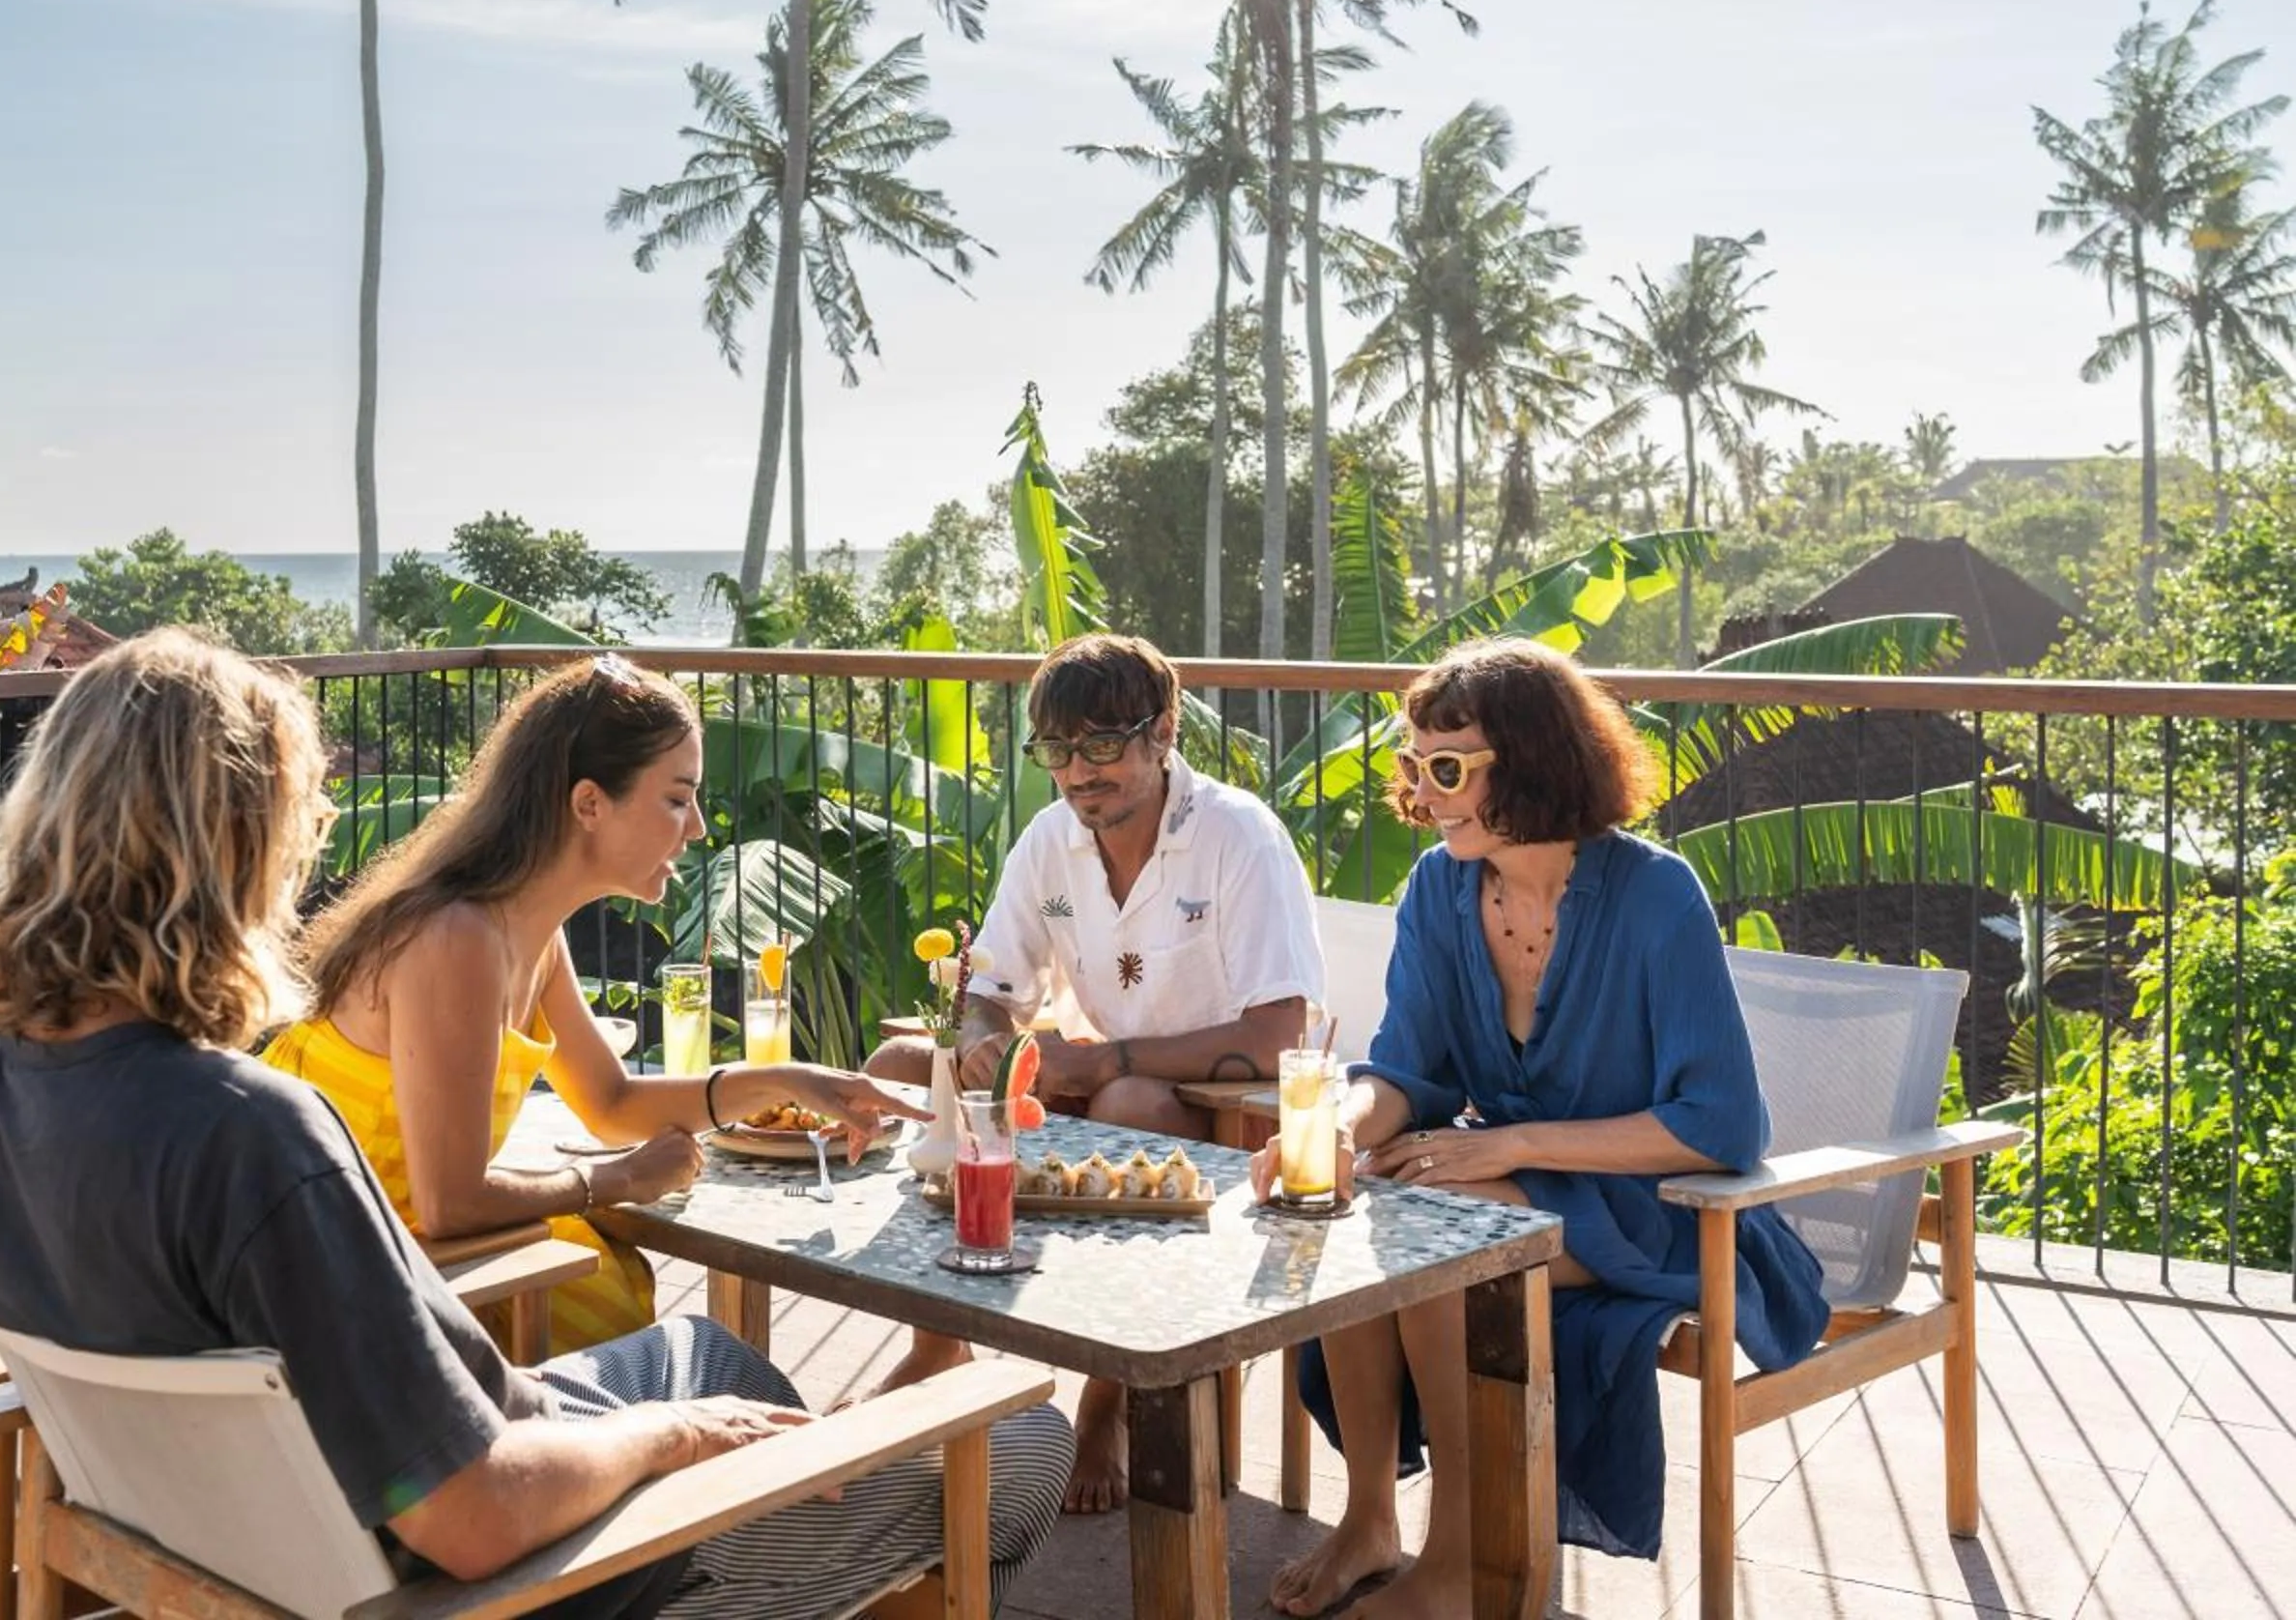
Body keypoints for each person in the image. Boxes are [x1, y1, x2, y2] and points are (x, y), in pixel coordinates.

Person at [0, 631, 1073, 1620]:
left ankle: (820, 1496)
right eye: (299, 807)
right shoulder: (252, 1136)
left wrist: (678, 1409)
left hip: (252, 1533)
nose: (315, 830)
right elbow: (470, 1516)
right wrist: (671, 1440)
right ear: (234, 844)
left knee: (717, 1361)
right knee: (1020, 1443)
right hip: (518, 1580)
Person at [1251, 637, 1828, 1620]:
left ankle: (1468, 1560)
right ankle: (1369, 1520)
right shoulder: (1441, 886)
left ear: (1531, 759)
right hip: (1508, 1180)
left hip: (1664, 1203)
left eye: (1449, 766)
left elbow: (1720, 1123)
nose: (1425, 792)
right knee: (1354, 1212)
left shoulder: (1654, 895)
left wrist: (1512, 1143)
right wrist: (1344, 1130)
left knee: (1437, 1241)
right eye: (1414, 764)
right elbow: (1408, 1067)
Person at [278, 652, 919, 1352]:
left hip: (421, 1267)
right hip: (361, 1308)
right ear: (588, 803)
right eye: (677, 798)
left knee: (706, 1358)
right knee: (714, 1364)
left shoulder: (531, 933)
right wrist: (619, 1179)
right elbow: (451, 1202)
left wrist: (793, 1080)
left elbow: (610, 1102)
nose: (698, 826)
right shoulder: (453, 940)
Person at [867, 631, 1325, 1513]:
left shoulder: (1239, 837)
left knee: (1126, 1102)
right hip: (1094, 1084)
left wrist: (1101, 1060)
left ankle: (1105, 1402)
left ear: (1164, 733)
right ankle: (937, 1345)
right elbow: (988, 988)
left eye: (1103, 745)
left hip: (1225, 1116)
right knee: (901, 1069)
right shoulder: (1051, 840)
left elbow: (1282, 1033)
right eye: (1058, 751)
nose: (1079, 773)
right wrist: (989, 1040)